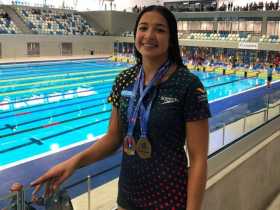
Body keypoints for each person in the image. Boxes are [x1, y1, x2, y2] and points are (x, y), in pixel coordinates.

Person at [31, 5, 210, 210]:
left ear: (171, 39)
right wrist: (72, 163)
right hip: (128, 198)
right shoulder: (124, 80)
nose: (149, 35)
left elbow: (198, 160)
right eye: (143, 28)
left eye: (160, 30)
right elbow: (113, 137)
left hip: (170, 201)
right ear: (136, 34)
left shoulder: (188, 85)